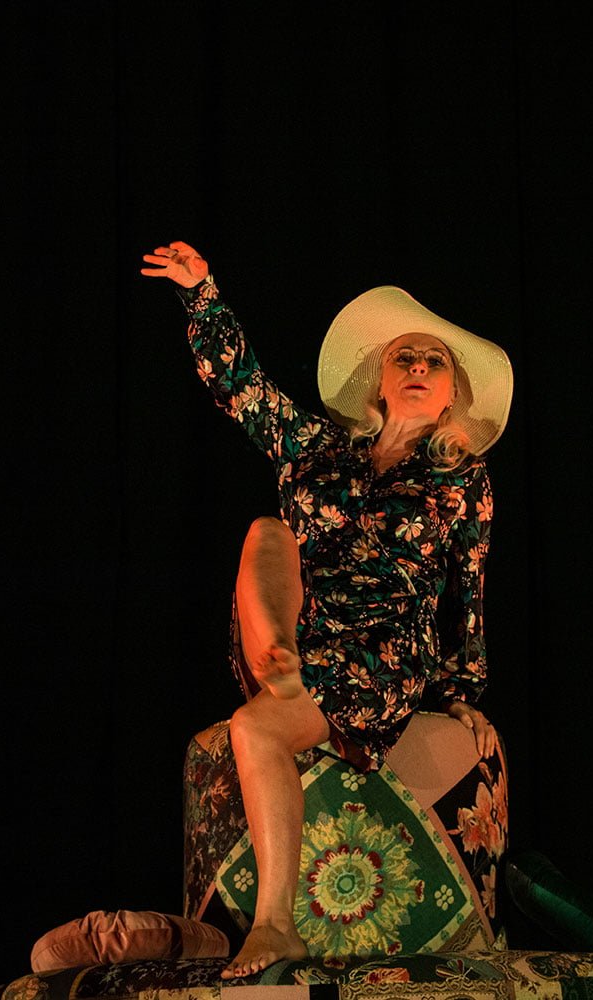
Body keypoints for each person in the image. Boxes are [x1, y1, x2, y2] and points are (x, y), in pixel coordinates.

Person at [139, 241, 514, 979]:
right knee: (268, 532)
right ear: (380, 381)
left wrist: (462, 691)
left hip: (378, 656)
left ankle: (275, 926)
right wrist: (200, 292)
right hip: (291, 634)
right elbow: (243, 389)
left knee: (253, 729)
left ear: (451, 397)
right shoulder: (316, 447)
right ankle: (280, 662)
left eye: (433, 361)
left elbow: (468, 586)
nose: (417, 366)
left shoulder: (462, 479)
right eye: (404, 357)